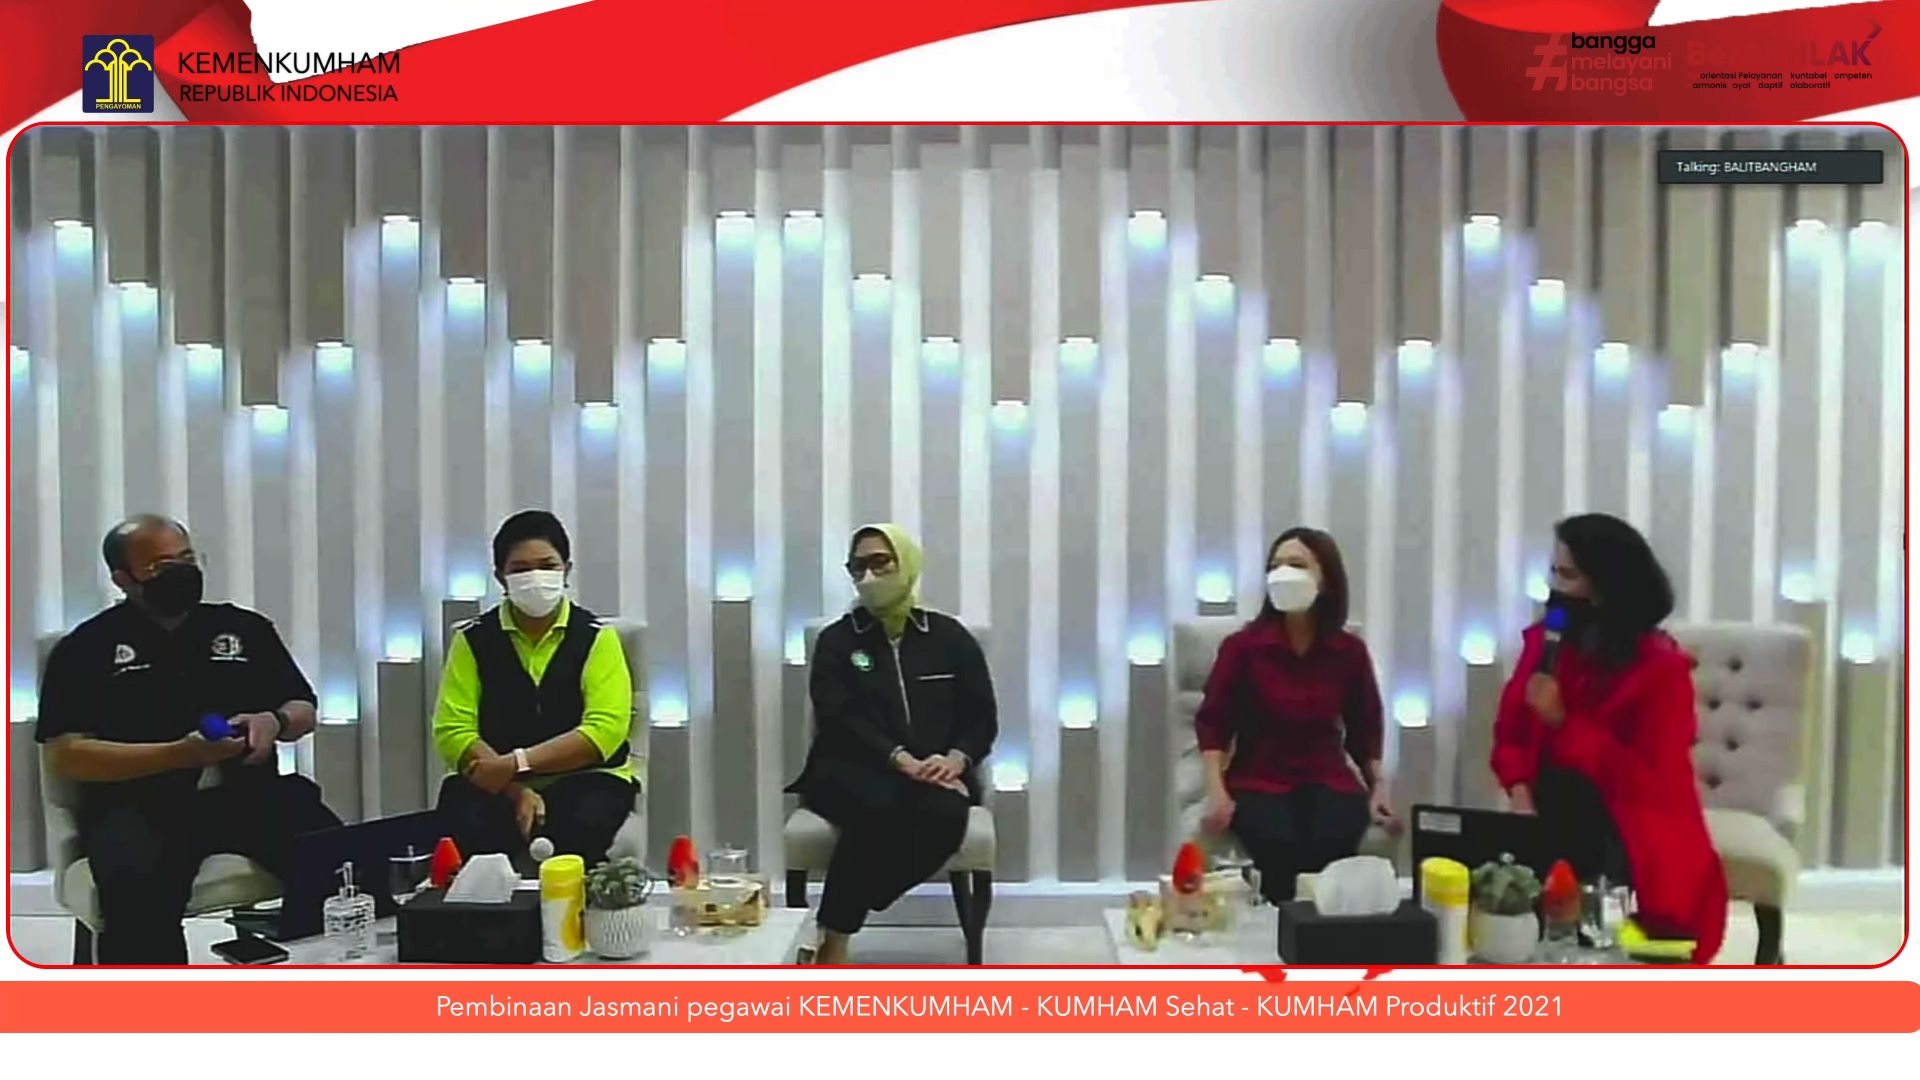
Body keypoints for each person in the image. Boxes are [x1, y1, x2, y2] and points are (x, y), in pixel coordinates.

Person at [34, 515, 339, 964]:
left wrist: (274, 721)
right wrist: (178, 755)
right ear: (123, 579)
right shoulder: (86, 648)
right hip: (138, 804)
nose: (182, 572)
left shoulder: (244, 629)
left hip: (246, 794)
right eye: (161, 566)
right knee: (136, 896)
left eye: (187, 559)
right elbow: (68, 755)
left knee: (340, 860)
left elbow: (302, 708)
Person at [1490, 512, 1727, 963]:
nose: (1554, 586)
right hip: (1545, 811)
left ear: (1603, 587)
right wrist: (1519, 794)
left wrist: (1563, 723)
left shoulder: (1662, 672)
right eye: (1553, 571)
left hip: (1625, 830)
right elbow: (1510, 733)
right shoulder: (1546, 645)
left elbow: (1646, 781)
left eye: (1567, 575)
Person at [786, 524, 997, 964]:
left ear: (907, 564)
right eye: (857, 566)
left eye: (880, 562)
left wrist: (956, 760)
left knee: (945, 813)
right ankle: (836, 941)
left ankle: (834, 919)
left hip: (935, 773)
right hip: (847, 767)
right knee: (877, 805)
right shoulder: (837, 641)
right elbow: (838, 718)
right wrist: (899, 759)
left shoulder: (949, 637)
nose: (868, 576)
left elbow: (982, 716)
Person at [1193, 527, 1393, 904]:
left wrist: (1378, 785)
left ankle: (1321, 931)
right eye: (1276, 566)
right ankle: (1282, 928)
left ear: (1325, 579)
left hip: (1326, 775)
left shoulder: (1348, 651)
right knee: (1277, 844)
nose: (1283, 574)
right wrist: (1217, 792)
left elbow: (1365, 727)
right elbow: (1213, 724)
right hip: (1259, 778)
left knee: (1334, 836)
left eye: (1297, 565)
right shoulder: (1242, 648)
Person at [432, 510, 637, 873]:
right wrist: (513, 786)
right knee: (466, 821)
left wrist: (516, 762)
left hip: (585, 779)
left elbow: (604, 731)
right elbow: (453, 730)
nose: (535, 577)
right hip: (497, 785)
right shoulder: (473, 639)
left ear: (566, 570)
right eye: (521, 569)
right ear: (500, 576)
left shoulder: (597, 637)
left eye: (547, 566)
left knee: (578, 829)